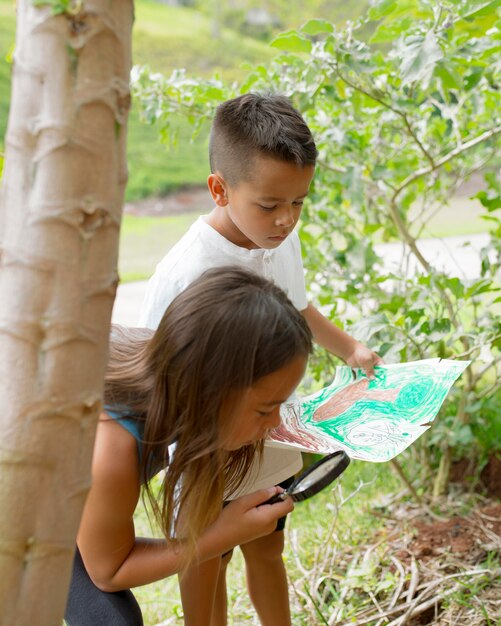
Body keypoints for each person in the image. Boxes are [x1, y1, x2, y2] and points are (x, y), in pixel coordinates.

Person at [139, 93, 382, 626]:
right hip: (205, 443)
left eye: (298, 203)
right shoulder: (191, 273)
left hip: (268, 427)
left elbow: (296, 303)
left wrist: (349, 348)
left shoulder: (274, 235)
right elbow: (167, 377)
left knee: (267, 544)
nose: (286, 220)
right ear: (220, 189)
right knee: (206, 559)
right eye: (270, 205)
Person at [65, 267, 312, 626]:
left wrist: (215, 535)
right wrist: (223, 535)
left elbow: (200, 527)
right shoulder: (110, 448)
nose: (274, 423)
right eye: (264, 409)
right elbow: (108, 571)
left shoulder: (188, 379)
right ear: (211, 390)